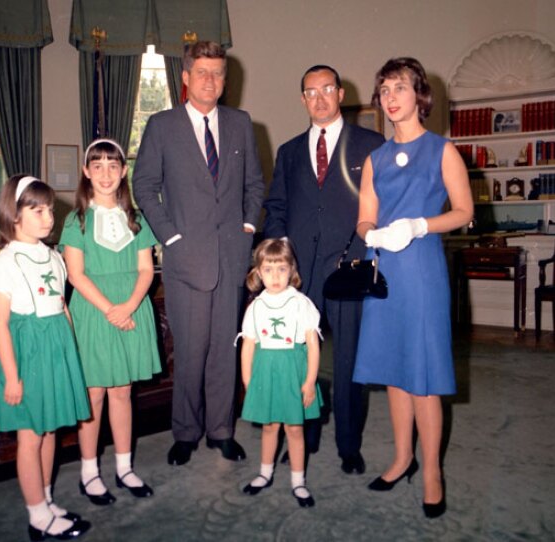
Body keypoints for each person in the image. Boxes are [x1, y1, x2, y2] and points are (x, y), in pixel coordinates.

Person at [133, 40, 265, 466]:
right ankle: (186, 432)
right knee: (189, 351)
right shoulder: (162, 125)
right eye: (202, 73)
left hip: (231, 257)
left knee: (225, 348)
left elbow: (255, 185)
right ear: (186, 78)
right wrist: (170, 237)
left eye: (218, 74)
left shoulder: (242, 123)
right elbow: (143, 186)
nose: (211, 81)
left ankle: (221, 430)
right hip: (185, 258)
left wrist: (246, 228)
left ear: (226, 81)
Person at [353, 57, 474, 519]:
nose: (390, 97)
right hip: (384, 269)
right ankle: (402, 458)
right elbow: (365, 215)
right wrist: (373, 234)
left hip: (421, 270)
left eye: (399, 88)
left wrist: (420, 225)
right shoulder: (375, 158)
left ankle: (431, 473)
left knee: (422, 375)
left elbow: (463, 211)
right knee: (393, 370)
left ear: (419, 95)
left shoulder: (443, 150)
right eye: (383, 90)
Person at [263, 65, 385, 475]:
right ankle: (303, 436)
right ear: (302, 99)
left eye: (326, 89)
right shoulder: (290, 151)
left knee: (349, 359)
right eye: (310, 92)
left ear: (340, 92)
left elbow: (379, 206)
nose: (319, 98)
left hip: (349, 267)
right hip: (299, 273)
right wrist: (280, 258)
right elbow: (276, 208)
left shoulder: (370, 144)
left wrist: (356, 250)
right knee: (298, 359)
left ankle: (349, 447)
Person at [0, 174, 91, 540]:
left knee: (49, 432)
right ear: (14, 215)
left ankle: (45, 500)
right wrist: (12, 377)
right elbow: (0, 325)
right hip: (26, 355)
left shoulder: (54, 256)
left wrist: (71, 355)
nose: (48, 217)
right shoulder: (4, 263)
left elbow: (63, 307)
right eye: (38, 210)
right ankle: (36, 516)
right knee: (30, 437)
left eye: (49, 210)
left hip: (55, 351)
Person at [59, 139, 161, 506]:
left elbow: (147, 269)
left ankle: (124, 467)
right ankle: (89, 473)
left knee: (122, 392)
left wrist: (130, 305)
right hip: (94, 311)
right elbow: (75, 275)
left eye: (113, 166)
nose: (105, 174)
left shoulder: (136, 219)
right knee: (95, 395)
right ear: (86, 172)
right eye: (97, 166)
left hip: (131, 308)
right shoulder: (77, 220)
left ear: (123, 172)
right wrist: (110, 310)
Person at [237, 239, 323, 508]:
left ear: (291, 270)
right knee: (269, 426)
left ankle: (298, 481)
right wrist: (249, 382)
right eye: (269, 270)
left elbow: (312, 345)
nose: (275, 277)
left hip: (293, 371)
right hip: (266, 372)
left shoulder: (301, 304)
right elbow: (248, 346)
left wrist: (309, 381)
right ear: (258, 273)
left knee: (295, 428)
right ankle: (265, 473)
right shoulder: (256, 307)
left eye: (282, 269)